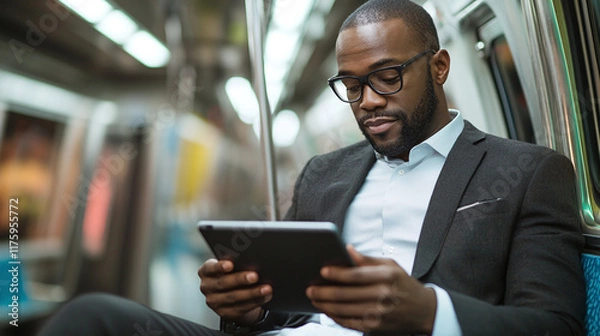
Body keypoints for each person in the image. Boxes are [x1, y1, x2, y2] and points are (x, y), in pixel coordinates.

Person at [38, 0, 586, 335]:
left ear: (439, 67)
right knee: (92, 318)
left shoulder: (529, 171)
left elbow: (555, 327)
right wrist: (250, 310)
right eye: (351, 85)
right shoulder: (325, 173)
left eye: (387, 76)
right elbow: (292, 310)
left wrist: (429, 314)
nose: (367, 100)